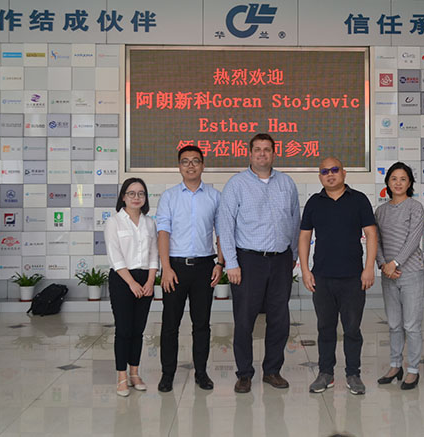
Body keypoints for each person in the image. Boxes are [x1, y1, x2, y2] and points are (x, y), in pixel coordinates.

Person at [217, 133, 300, 393]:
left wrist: (293, 256)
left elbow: (295, 221)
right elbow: (225, 226)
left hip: (281, 260)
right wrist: (231, 263)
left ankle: (272, 371)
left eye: (267, 149)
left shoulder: (286, 183)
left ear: (274, 153)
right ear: (250, 153)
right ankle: (244, 373)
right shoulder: (237, 184)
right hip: (248, 261)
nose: (262, 153)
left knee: (279, 319)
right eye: (257, 149)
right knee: (244, 320)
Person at [299, 157, 377, 395]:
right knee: (325, 328)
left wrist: (369, 268)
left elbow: (371, 234)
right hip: (322, 277)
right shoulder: (314, 202)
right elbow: (304, 237)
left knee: (352, 329)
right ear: (320, 176)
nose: (330, 174)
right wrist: (305, 270)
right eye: (325, 171)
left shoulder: (359, 200)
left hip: (353, 277)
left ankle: (353, 374)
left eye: (334, 170)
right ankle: (326, 373)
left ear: (344, 173)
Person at [156, 145, 224, 393]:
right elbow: (163, 233)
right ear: (179, 167)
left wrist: (220, 263)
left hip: (204, 267)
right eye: (185, 161)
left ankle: (201, 373)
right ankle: (167, 374)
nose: (191, 165)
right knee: (170, 324)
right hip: (175, 268)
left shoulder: (215, 196)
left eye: (196, 161)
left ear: (203, 165)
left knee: (202, 325)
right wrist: (165, 268)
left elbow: (222, 233)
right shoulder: (169, 197)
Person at [104, 177, 159, 397]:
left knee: (138, 330)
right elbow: (115, 256)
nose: (136, 197)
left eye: (141, 193)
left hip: (145, 279)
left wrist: (150, 281)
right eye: (131, 193)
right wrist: (132, 283)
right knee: (124, 330)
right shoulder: (114, 222)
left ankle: (135, 374)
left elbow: (154, 254)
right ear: (123, 197)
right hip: (122, 280)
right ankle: (121, 377)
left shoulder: (149, 223)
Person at [374, 162, 424, 390]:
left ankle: (413, 370)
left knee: (411, 325)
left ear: (410, 183)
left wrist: (394, 263)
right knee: (394, 324)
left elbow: (413, 240)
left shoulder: (415, 207)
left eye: (403, 179)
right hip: (388, 274)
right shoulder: (380, 211)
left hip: (411, 272)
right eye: (394, 178)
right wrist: (383, 264)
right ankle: (396, 365)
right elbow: (375, 241)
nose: (398, 183)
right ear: (387, 182)